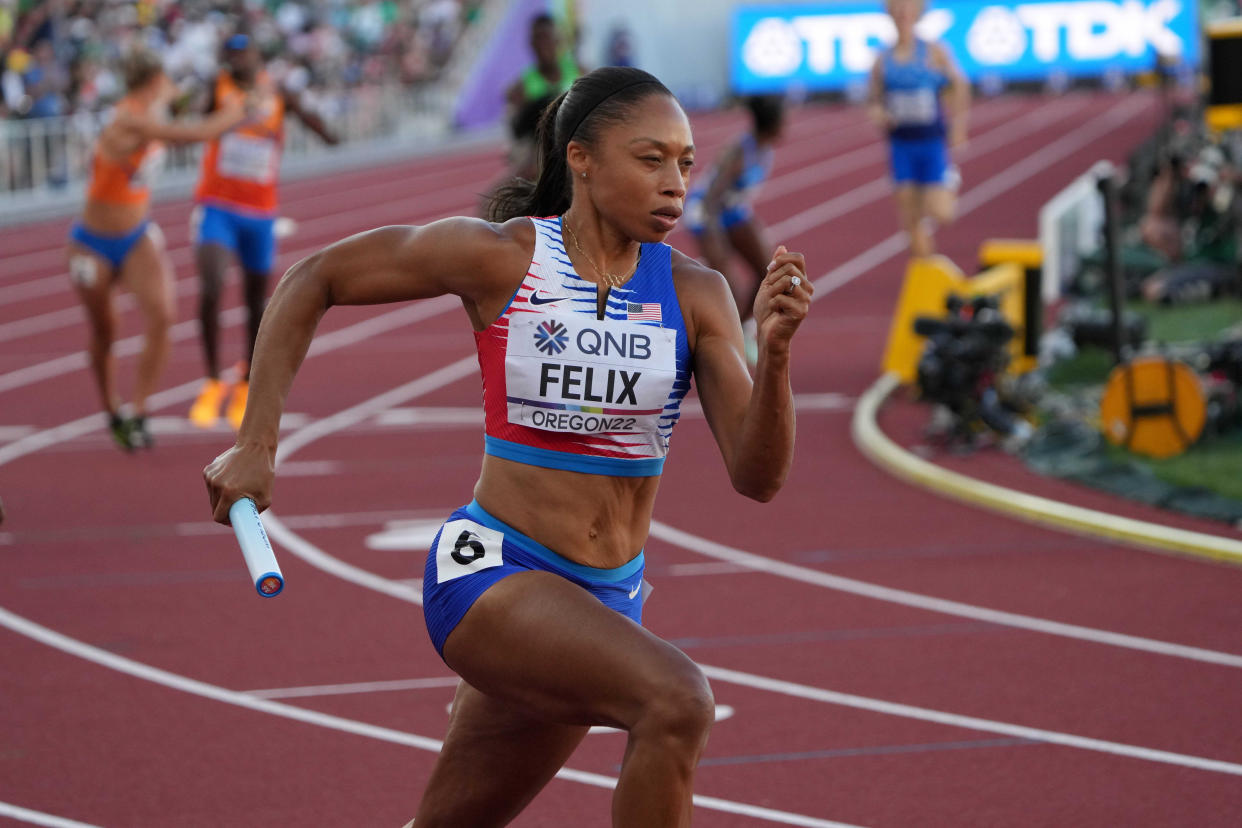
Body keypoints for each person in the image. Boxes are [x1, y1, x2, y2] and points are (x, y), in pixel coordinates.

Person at [203, 67, 811, 826]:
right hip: (494, 575)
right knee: (677, 701)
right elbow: (313, 276)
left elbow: (759, 477)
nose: (674, 183)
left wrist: (776, 353)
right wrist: (257, 444)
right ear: (581, 158)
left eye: (685, 163)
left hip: (603, 600)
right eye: (650, 158)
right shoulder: (503, 258)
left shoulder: (697, 293)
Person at [67, 47, 246, 451]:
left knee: (163, 315)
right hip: (91, 245)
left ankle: (140, 410)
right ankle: (112, 408)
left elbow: (176, 104)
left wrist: (197, 90)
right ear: (153, 81)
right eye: (163, 80)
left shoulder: (152, 106)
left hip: (135, 235)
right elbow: (195, 133)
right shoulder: (130, 120)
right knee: (105, 331)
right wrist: (239, 108)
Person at [188, 32, 338, 431]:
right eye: (231, 54)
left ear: (257, 55)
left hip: (260, 214)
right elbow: (195, 121)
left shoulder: (279, 93)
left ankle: (245, 383)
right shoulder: (217, 89)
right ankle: (210, 381)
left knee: (257, 303)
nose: (238, 60)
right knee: (212, 285)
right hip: (217, 207)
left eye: (244, 52)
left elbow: (309, 117)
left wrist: (328, 134)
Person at [685, 95, 785, 362]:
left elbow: (737, 199)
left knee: (768, 270)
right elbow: (711, 198)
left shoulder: (765, 147)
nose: (786, 126)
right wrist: (717, 241)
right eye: (783, 120)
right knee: (728, 283)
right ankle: (715, 345)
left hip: (732, 210)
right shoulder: (740, 151)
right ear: (772, 124)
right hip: (706, 213)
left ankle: (740, 329)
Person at [867, 0, 969, 258]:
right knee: (910, 217)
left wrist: (958, 126)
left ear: (917, 14)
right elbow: (874, 101)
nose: (902, 15)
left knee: (941, 213)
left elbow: (960, 85)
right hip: (901, 144)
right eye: (897, 10)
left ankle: (949, 181)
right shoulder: (883, 60)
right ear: (890, 14)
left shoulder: (933, 52)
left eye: (907, 10)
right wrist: (879, 113)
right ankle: (925, 268)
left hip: (931, 142)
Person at [504, 13, 580, 182]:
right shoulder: (520, 88)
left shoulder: (581, 73)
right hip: (541, 160)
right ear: (531, 45)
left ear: (558, 41)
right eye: (538, 40)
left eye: (548, 39)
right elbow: (516, 136)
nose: (543, 46)